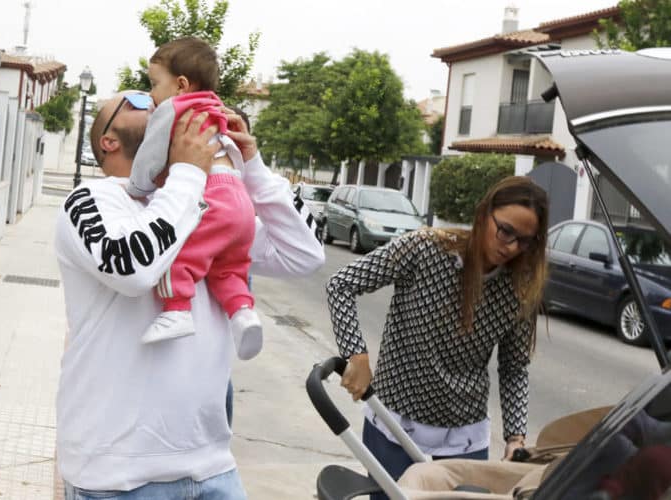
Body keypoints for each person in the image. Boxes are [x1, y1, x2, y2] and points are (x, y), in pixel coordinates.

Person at [55, 90, 324, 498]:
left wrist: (251, 167)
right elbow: (131, 267)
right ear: (108, 141)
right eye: (135, 102)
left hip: (212, 467)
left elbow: (304, 254)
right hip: (117, 476)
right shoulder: (91, 201)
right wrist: (187, 173)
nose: (153, 102)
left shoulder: (205, 204)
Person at [326, 176, 548, 498]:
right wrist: (355, 354)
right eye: (506, 230)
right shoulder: (424, 248)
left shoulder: (520, 288)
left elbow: (514, 368)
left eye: (524, 241)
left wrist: (515, 437)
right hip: (394, 418)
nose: (511, 246)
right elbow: (341, 285)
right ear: (484, 214)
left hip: (464, 431)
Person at [126, 37, 262, 359]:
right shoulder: (217, 108)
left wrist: (136, 188)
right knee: (228, 268)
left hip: (211, 196)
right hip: (240, 202)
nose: (151, 94)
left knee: (177, 253)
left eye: (154, 83)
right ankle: (243, 314)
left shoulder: (173, 109)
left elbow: (150, 156)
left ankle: (176, 310)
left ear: (181, 84)